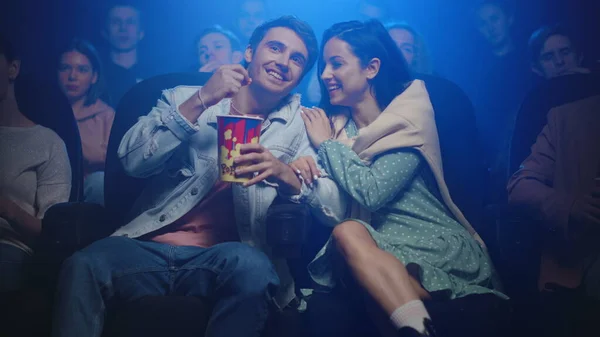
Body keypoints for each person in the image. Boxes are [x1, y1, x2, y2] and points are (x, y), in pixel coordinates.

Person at [52, 16, 345, 337]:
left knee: (254, 269)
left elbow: (334, 209)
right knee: (82, 265)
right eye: (275, 48)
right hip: (147, 246)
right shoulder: (183, 96)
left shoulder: (300, 125)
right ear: (249, 52)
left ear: (301, 74)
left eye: (296, 59)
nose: (283, 62)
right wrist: (202, 99)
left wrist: (285, 175)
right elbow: (131, 161)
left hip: (228, 255)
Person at [291, 20, 505, 336]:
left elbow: (372, 191)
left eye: (336, 63)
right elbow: (326, 197)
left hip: (430, 245)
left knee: (352, 241)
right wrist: (303, 164)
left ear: (372, 68)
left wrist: (326, 145)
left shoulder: (406, 118)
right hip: (371, 250)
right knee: (355, 251)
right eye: (324, 65)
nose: (325, 75)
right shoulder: (327, 123)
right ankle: (419, 330)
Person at [0, 34, 71, 292]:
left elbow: (53, 232)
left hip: (9, 249)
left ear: (12, 68)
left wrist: (7, 208)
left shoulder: (47, 143)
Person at [471, 0, 531, 205]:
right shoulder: (476, 70)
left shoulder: (529, 61)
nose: (490, 27)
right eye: (482, 23)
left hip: (528, 144)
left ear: (509, 18)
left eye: (494, 19)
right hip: (491, 152)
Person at [57, 39, 115, 205]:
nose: (72, 76)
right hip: (48, 187)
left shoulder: (107, 116)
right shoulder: (42, 113)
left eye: (82, 70)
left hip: (90, 194)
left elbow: (114, 163)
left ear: (94, 76)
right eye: (65, 68)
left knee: (99, 182)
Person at [100, 2, 150, 106]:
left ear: (141, 32)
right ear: (105, 31)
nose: (123, 28)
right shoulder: (95, 76)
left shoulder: (155, 74)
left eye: (130, 22)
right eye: (116, 22)